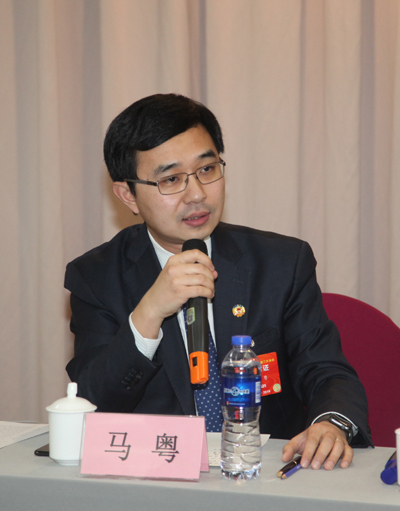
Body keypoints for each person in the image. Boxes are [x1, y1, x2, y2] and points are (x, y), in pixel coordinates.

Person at [65, 93, 372, 472]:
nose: (197, 194)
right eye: (171, 179)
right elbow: (92, 405)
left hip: (265, 474)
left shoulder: (281, 262)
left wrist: (331, 422)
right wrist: (148, 314)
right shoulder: (95, 277)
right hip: (151, 478)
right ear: (128, 195)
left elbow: (327, 372)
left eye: (207, 170)